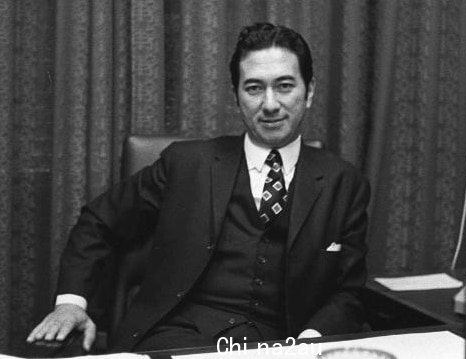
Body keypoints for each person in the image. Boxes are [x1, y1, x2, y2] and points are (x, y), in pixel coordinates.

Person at [27, 22, 370, 353]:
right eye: (253, 88)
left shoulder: (344, 183)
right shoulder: (186, 164)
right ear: (237, 96)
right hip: (175, 340)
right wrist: (70, 305)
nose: (269, 104)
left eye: (284, 86)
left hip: (279, 346)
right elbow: (98, 222)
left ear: (308, 92)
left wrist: (306, 344)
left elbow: (347, 293)